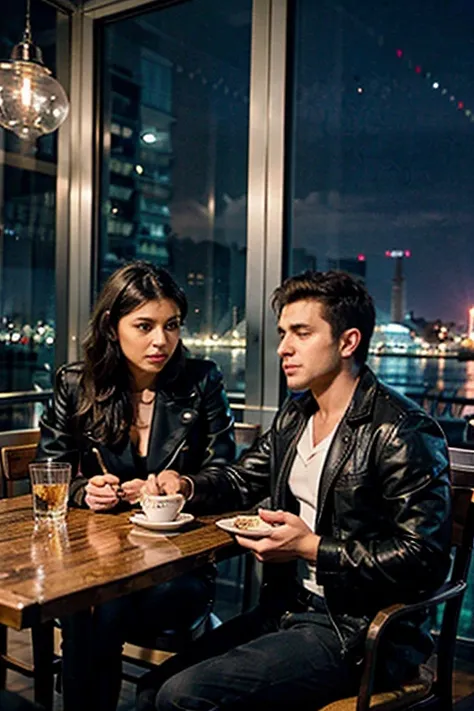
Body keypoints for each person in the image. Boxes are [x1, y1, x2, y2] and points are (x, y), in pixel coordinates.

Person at [137, 270, 452, 711]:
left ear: (348, 342)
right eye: (284, 333)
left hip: (361, 631)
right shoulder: (297, 414)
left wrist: (312, 547)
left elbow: (426, 559)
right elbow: (243, 479)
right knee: (152, 689)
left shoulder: (401, 430)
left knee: (181, 697)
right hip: (286, 608)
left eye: (301, 333)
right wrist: (185, 485)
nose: (283, 347)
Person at [35, 261, 235, 711]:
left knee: (92, 607)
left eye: (171, 326)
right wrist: (87, 490)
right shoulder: (75, 383)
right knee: (93, 599)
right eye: (144, 326)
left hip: (175, 569)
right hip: (93, 562)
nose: (160, 341)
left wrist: (183, 483)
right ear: (112, 324)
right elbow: (49, 469)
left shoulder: (202, 381)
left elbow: (228, 474)